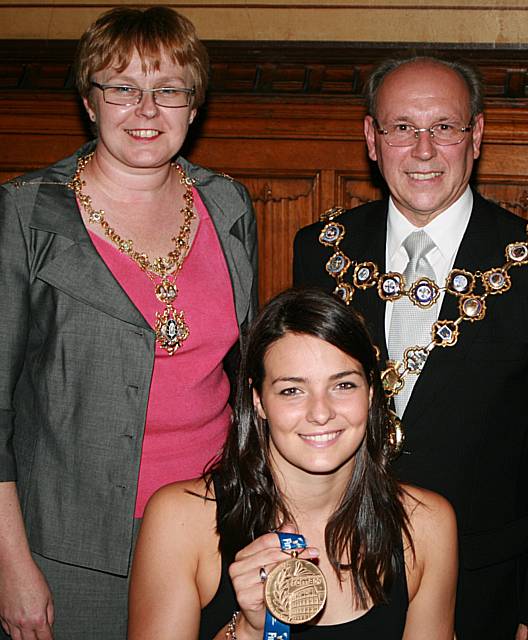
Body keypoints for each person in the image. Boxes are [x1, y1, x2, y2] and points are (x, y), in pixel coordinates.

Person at [0, 6, 257, 639]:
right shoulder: (26, 214)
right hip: (70, 549)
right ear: (91, 102)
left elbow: (249, 369)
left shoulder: (227, 203)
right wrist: (10, 566)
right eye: (122, 87)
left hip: (213, 525)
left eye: (168, 90)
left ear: (193, 107)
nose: (146, 109)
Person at [293, 55, 528, 640]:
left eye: (444, 127)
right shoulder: (321, 250)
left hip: (485, 583)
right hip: (338, 572)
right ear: (372, 137)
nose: (423, 150)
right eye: (402, 128)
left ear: (477, 136)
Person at [128, 287, 457, 639]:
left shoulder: (426, 525)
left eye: (343, 385)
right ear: (258, 401)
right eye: (292, 390)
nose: (320, 412)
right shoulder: (182, 521)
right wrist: (252, 631)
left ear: (372, 394)